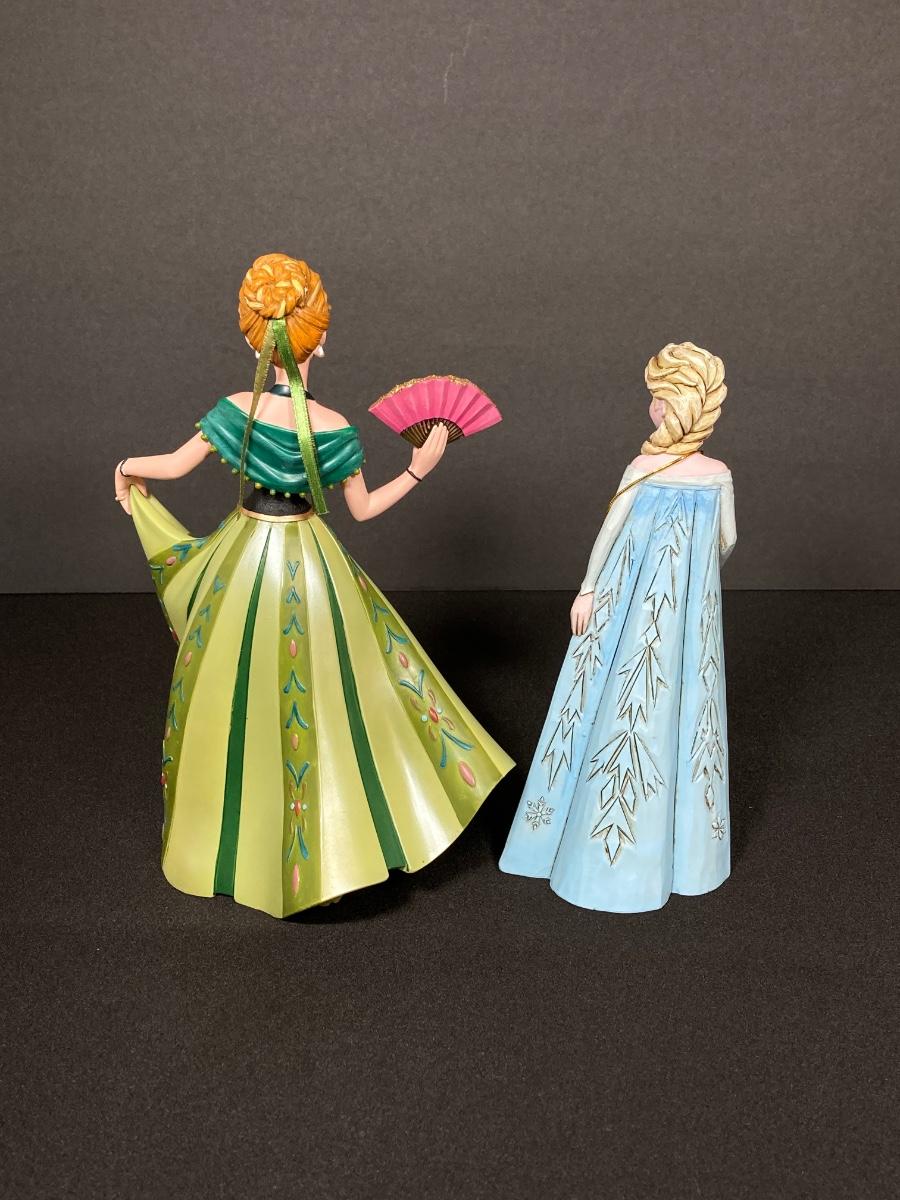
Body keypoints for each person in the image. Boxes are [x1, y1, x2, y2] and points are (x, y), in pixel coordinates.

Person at [115, 252, 513, 918]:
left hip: (243, 555)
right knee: (336, 690)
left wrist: (125, 467)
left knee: (229, 687)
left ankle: (229, 838)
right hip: (308, 560)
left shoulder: (234, 411)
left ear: (254, 338)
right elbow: (364, 510)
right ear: (320, 339)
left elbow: (175, 467)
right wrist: (419, 467)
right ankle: (332, 843)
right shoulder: (335, 430)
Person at [500, 341, 736, 911]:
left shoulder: (644, 468)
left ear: (677, 405)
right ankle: (685, 857)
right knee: (682, 702)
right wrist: (697, 578)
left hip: (629, 601)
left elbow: (608, 534)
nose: (653, 409)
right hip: (688, 613)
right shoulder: (718, 475)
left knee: (614, 693)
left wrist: (588, 589)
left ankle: (575, 837)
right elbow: (728, 540)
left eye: (659, 399)